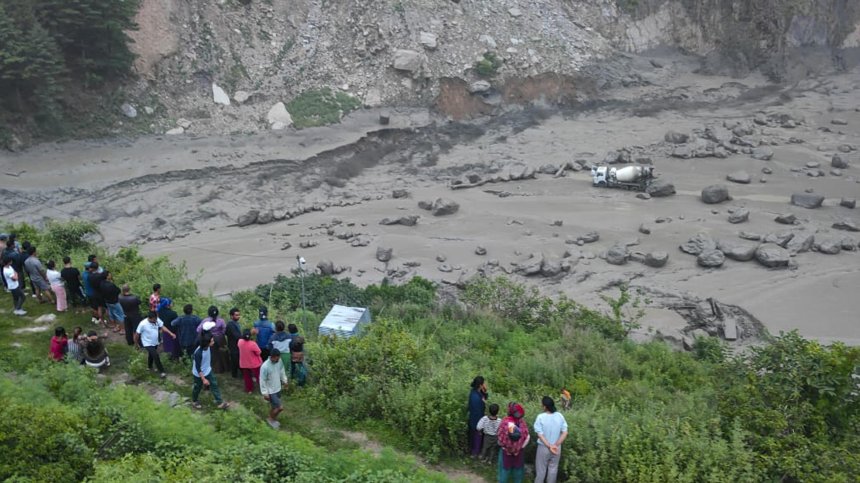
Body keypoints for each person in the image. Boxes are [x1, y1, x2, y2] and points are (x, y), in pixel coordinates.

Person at [534, 396, 569, 483]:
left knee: (541, 470)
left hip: (544, 448)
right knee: (553, 469)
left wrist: (549, 446)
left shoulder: (540, 417)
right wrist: (555, 445)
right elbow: (565, 432)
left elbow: (540, 434)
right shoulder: (560, 416)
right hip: (557, 448)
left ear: (545, 406)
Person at [191, 333, 229, 410]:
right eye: (212, 341)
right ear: (206, 343)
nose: (213, 342)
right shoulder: (198, 353)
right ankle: (194, 401)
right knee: (197, 387)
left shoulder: (207, 347)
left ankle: (220, 402)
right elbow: (198, 368)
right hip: (199, 374)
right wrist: (204, 379)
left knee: (214, 384)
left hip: (208, 370)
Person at [135, 311, 176, 379]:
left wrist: (171, 333)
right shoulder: (142, 324)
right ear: (149, 318)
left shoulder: (157, 320)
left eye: (156, 319)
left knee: (151, 354)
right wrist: (136, 344)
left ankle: (149, 367)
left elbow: (162, 326)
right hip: (147, 343)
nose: (155, 321)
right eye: (154, 320)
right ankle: (162, 371)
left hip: (155, 341)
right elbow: (137, 334)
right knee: (155, 355)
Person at [497, 402, 530, 483]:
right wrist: (521, 447)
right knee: (518, 472)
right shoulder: (522, 423)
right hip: (519, 452)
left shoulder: (505, 422)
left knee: (504, 471)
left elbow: (500, 437)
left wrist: (505, 446)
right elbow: (527, 436)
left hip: (506, 452)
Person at [260, 348, 289, 429]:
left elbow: (282, 371)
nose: (278, 359)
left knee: (274, 407)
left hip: (278, 388)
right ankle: (270, 419)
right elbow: (262, 380)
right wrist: (265, 393)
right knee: (280, 408)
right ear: (272, 357)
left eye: (279, 358)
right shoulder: (265, 366)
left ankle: (272, 418)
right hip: (271, 391)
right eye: (277, 358)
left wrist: (285, 381)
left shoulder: (279, 361)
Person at [197, 306, 228, 374]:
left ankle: (215, 369)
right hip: (220, 339)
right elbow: (224, 329)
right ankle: (225, 368)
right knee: (222, 353)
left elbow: (198, 330)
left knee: (213, 355)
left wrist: (205, 334)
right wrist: (221, 334)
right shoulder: (221, 320)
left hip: (210, 339)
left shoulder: (206, 321)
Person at [468, 375, 489, 457]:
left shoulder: (475, 392)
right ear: (480, 385)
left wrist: (485, 391)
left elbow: (485, 397)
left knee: (474, 437)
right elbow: (478, 410)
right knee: (476, 437)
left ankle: (474, 451)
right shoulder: (476, 397)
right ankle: (474, 453)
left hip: (474, 418)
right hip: (476, 420)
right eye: (484, 383)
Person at [238, 329, 262, 393]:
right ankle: (262, 387)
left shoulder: (240, 342)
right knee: (258, 375)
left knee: (247, 377)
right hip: (254, 364)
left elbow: (241, 338)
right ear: (250, 336)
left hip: (244, 363)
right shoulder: (253, 344)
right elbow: (259, 352)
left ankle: (249, 389)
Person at [226, 308, 243, 378]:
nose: (238, 316)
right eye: (236, 315)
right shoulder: (230, 325)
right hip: (233, 345)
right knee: (234, 360)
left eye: (239, 315)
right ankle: (234, 375)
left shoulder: (236, 323)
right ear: (231, 316)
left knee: (236, 359)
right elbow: (236, 336)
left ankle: (236, 374)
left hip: (237, 345)